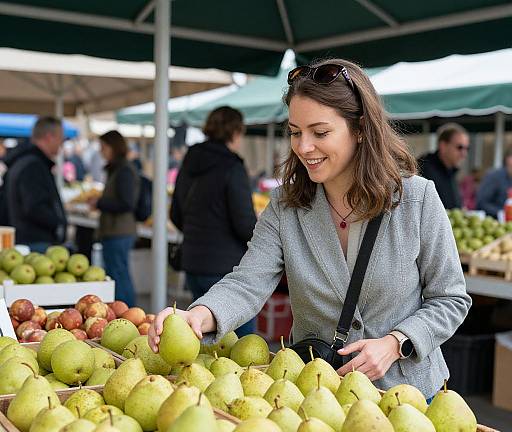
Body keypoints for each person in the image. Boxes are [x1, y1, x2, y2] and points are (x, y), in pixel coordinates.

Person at [150, 58, 471, 400]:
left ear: (360, 128)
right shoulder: (286, 206)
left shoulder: (417, 199)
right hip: (319, 395)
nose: (303, 147)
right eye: (295, 132)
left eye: (320, 132)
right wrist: (199, 314)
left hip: (410, 396)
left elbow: (450, 298)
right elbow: (248, 282)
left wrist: (397, 342)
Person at [170, 106, 257, 337]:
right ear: (236, 132)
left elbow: (175, 214)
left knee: (203, 338)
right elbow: (245, 223)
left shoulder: (190, 161)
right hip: (226, 270)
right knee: (241, 344)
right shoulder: (232, 167)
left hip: (192, 263)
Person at [89, 130, 139, 306]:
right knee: (117, 272)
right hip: (115, 230)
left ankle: (127, 311)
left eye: (104, 147)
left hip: (119, 231)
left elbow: (126, 203)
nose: (101, 151)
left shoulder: (123, 170)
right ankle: (125, 310)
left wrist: (100, 202)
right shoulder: (117, 169)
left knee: (119, 274)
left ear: (113, 147)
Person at [4, 117, 66, 252]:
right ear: (49, 137)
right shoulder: (33, 166)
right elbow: (34, 206)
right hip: (35, 241)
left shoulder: (23, 161)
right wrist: (57, 222)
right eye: (61, 137)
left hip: (27, 238)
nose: (62, 142)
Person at [417, 123, 470, 209]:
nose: (464, 154)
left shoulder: (451, 171)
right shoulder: (424, 169)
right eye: (459, 147)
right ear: (443, 146)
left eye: (467, 149)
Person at [476, 148, 512, 218]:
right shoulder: (494, 176)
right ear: (507, 159)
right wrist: (500, 213)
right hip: (492, 222)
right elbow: (481, 202)